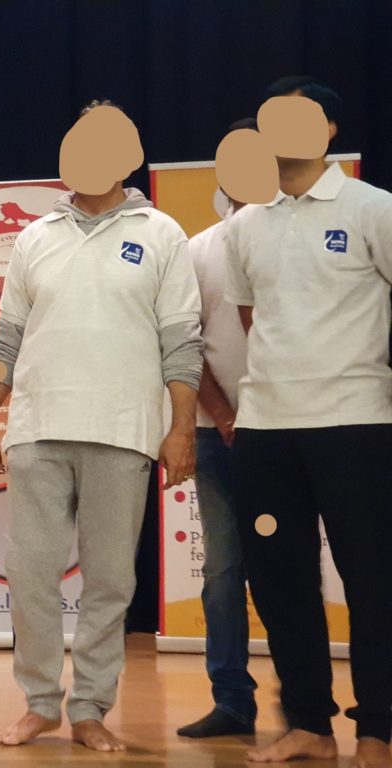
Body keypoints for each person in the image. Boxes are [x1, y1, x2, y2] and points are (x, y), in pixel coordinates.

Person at [0, 101, 202, 752]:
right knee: (31, 574)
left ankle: (91, 707)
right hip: (38, 426)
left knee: (110, 582)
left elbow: (182, 341)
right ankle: (40, 703)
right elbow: (7, 336)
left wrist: (181, 428)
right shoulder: (35, 236)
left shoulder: (162, 233)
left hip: (124, 429)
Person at [226, 80, 392, 768]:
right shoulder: (244, 224)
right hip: (266, 428)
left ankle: (378, 729)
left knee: (373, 580)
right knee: (280, 581)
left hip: (356, 423)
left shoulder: (374, 208)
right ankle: (309, 723)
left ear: (329, 130)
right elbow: (251, 318)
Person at [177, 118, 269, 740]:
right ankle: (233, 700)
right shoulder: (198, 248)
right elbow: (186, 343)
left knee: (289, 570)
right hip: (219, 434)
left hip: (291, 431)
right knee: (221, 573)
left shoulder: (295, 239)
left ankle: (306, 703)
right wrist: (226, 415)